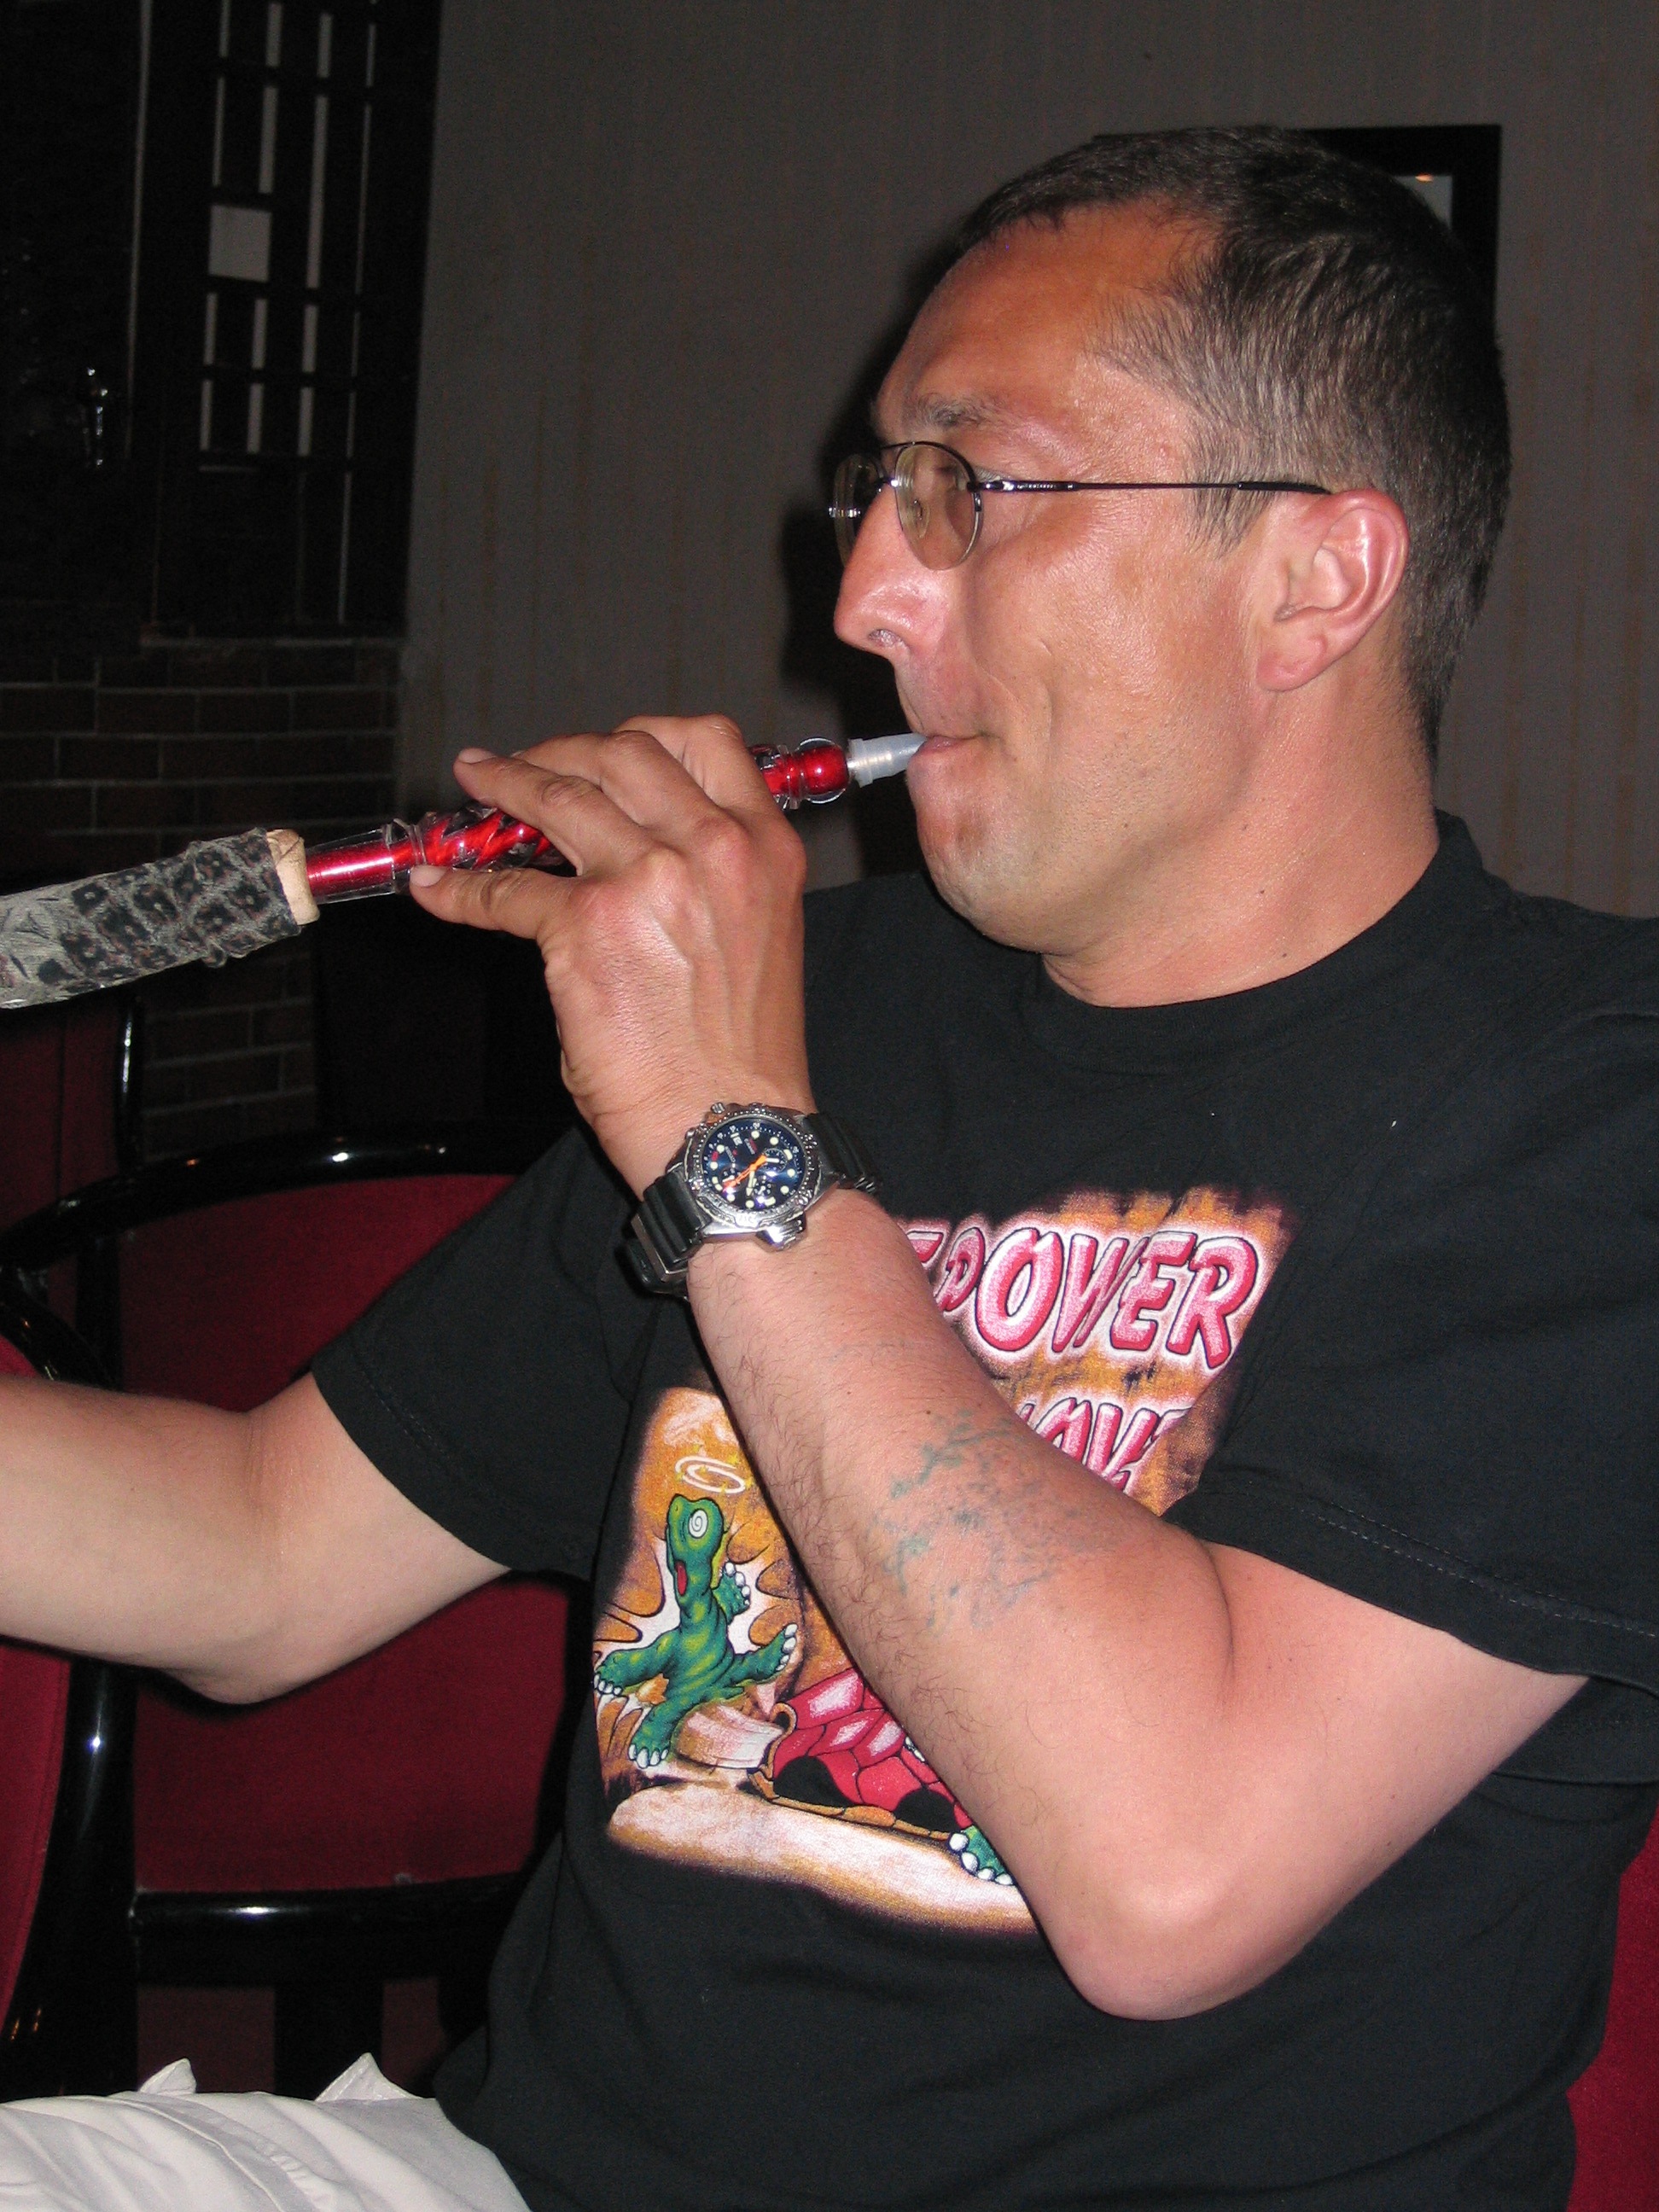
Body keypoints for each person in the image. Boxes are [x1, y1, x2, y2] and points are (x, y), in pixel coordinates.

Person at [3, 123, 1657, 2212]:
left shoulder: (1589, 1103)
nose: (866, 596)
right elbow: (254, 1559)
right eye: (879, 492)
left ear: (1314, 578)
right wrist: (738, 1090)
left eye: (977, 488)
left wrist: (730, 1138)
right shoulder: (825, 1002)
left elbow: (1173, 1872)